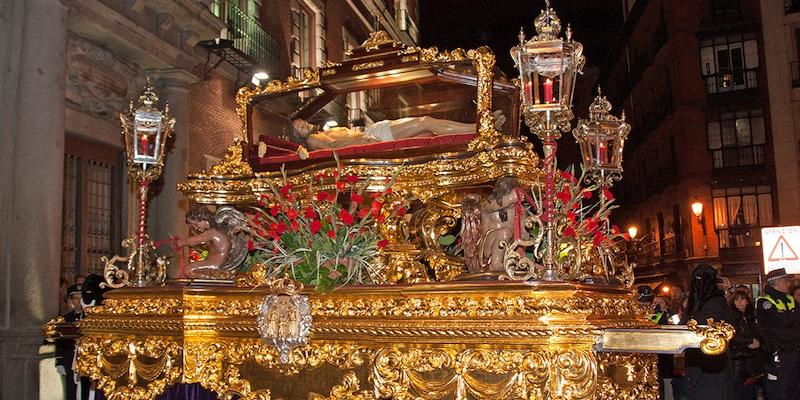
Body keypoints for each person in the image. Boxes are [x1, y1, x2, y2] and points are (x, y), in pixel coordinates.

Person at [292, 112, 505, 150]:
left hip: (375, 131)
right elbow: (334, 146)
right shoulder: (314, 140)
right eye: (299, 128)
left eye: (301, 122)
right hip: (376, 137)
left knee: (430, 132)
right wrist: (366, 144)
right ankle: (480, 128)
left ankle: (479, 129)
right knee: (426, 123)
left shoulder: (329, 129)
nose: (303, 126)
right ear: (299, 136)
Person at [680, 264, 734, 400]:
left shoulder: (715, 301)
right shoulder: (695, 301)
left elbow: (705, 327)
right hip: (697, 361)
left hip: (712, 361)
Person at [755, 268, 800, 400]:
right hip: (779, 353)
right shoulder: (765, 302)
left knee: (794, 388)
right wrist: (790, 320)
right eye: (785, 281)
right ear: (776, 283)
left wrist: (789, 320)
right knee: (778, 390)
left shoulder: (790, 299)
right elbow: (782, 322)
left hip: (795, 352)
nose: (788, 284)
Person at [177, 205, 233, 279]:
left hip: (216, 264)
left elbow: (194, 240)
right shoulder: (212, 231)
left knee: (188, 270)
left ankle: (215, 278)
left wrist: (180, 242)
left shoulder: (213, 232)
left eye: (195, 224)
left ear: (203, 219)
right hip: (211, 262)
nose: (195, 228)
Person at [728, 289, 763, 400]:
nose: (740, 302)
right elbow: (731, 336)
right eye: (736, 299)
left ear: (747, 301)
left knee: (752, 389)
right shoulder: (730, 317)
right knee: (739, 389)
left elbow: (760, 332)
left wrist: (757, 342)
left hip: (753, 357)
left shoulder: (753, 315)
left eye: (742, 299)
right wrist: (748, 342)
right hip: (738, 358)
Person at [55, 284, 82, 400]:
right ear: (71, 300)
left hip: (84, 359)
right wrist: (59, 360)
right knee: (70, 389)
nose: (79, 301)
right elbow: (60, 340)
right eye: (76, 298)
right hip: (69, 358)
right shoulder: (66, 319)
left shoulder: (90, 318)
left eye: (81, 298)